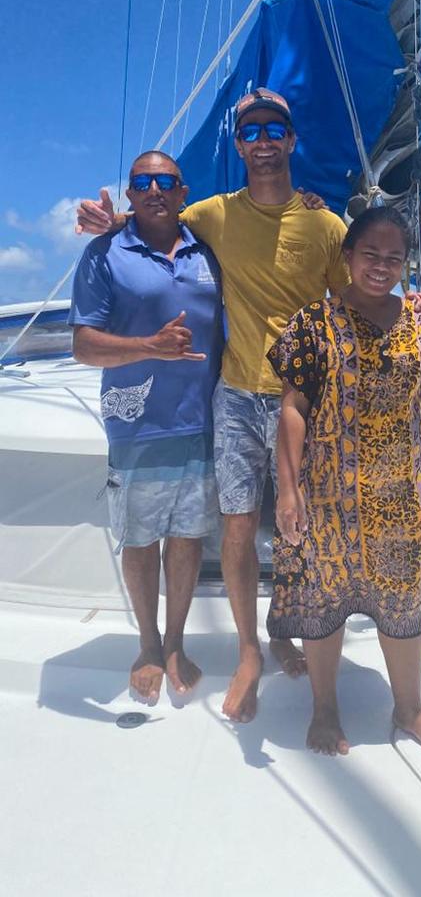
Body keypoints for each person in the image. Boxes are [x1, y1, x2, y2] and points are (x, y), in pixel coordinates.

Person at [76, 88, 421, 723]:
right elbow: (156, 221)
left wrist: (419, 302)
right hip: (235, 397)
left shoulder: (325, 225)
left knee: (300, 529)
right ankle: (249, 649)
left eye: (275, 129)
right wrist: (112, 225)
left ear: (291, 140)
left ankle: (285, 631)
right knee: (240, 527)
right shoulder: (214, 214)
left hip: (304, 401)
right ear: (239, 144)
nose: (264, 141)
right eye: (251, 132)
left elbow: (366, 289)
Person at [267, 206, 421, 758]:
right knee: (324, 603)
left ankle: (409, 710)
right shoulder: (313, 322)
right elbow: (293, 408)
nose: (381, 266)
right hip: (328, 496)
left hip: (405, 498)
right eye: (370, 254)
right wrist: (289, 489)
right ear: (348, 256)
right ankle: (325, 708)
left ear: (405, 264)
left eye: (394, 258)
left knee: (403, 606)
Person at [70, 150, 224, 703]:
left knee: (186, 537)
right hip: (137, 423)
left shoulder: (209, 249)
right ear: (130, 193)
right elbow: (83, 345)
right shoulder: (104, 252)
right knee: (140, 539)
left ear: (183, 192)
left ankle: (176, 642)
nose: (154, 189)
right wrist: (150, 347)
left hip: (202, 419)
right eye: (142, 181)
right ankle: (148, 644)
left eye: (165, 181)